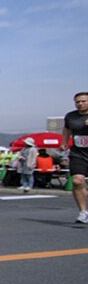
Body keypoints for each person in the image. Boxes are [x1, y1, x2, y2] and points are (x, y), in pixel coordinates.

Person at [60, 92, 88, 223]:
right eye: (78, 102)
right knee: (77, 181)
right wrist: (64, 142)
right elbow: (66, 129)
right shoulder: (71, 116)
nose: (80, 104)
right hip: (78, 153)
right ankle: (83, 212)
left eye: (83, 101)